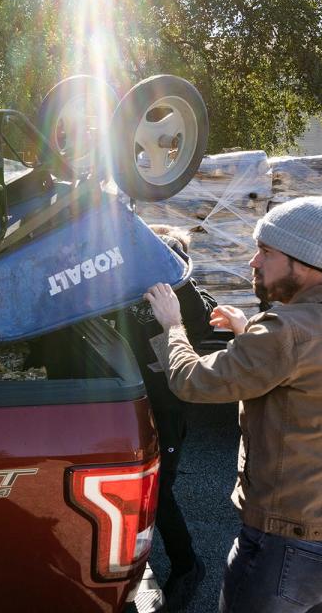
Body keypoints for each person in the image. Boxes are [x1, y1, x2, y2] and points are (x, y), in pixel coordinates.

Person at [143, 196, 322, 613]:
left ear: (306, 263)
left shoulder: (287, 333)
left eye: (265, 251)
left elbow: (192, 382)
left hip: (289, 550)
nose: (252, 262)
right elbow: (311, 380)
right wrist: (247, 333)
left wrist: (172, 325)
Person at [114, 224, 214, 611]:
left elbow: (194, 322)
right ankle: (134, 560)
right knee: (135, 489)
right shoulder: (126, 278)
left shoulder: (181, 293)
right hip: (133, 399)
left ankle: (188, 566)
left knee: (159, 492)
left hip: (166, 406)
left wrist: (172, 274)